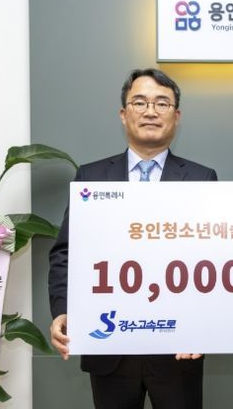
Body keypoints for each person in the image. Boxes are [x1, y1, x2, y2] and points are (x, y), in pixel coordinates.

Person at [48, 68, 217, 409]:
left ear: (176, 116)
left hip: (178, 348)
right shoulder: (91, 177)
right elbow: (66, 252)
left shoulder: (202, 179)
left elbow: (213, 261)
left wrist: (203, 327)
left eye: (162, 103)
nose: (150, 111)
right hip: (109, 344)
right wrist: (63, 311)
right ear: (124, 114)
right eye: (140, 102)